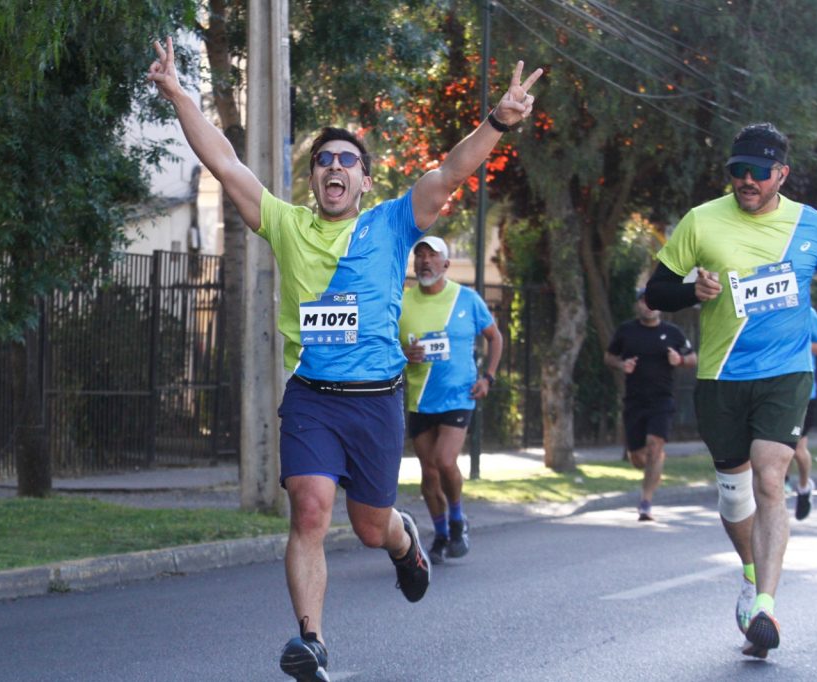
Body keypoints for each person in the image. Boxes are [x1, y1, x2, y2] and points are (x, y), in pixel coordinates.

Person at [148, 38, 542, 681]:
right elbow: (223, 160)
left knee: (367, 527)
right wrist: (177, 93)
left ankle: (403, 539)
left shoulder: (392, 223)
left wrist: (498, 120)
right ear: (313, 179)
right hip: (312, 398)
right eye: (324, 160)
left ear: (364, 178)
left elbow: (450, 172)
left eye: (347, 161)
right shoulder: (285, 224)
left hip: (378, 400)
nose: (334, 168)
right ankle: (312, 642)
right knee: (308, 509)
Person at [644, 122, 817, 659]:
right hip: (720, 377)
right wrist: (692, 288)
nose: (747, 181)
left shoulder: (814, 226)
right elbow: (655, 288)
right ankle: (750, 574)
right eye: (738, 171)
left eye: (758, 172)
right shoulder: (701, 221)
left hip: (785, 371)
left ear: (782, 173)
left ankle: (765, 606)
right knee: (734, 494)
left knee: (770, 475)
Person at [398, 235, 503, 564]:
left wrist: (488, 378)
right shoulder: (402, 303)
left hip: (459, 394)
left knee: (445, 461)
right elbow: (386, 348)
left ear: (446, 264)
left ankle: (458, 519)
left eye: (433, 256)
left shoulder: (466, 299)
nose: (425, 261)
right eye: (420, 256)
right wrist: (404, 354)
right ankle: (441, 534)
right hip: (420, 398)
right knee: (428, 474)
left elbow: (494, 337)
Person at [604, 288, 696, 522]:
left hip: (662, 399)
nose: (648, 306)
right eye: (644, 302)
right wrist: (621, 364)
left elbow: (693, 358)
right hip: (634, 401)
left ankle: (645, 502)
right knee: (637, 458)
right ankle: (654, 470)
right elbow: (609, 356)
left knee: (655, 445)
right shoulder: (627, 331)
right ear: (638, 305)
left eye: (653, 302)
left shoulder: (672, 333)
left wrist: (680, 360)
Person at [788, 308, 817, 520]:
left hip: (803, 392)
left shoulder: (807, 312)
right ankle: (779, 484)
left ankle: (804, 486)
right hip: (770, 391)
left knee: (796, 449)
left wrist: (795, 345)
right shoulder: (760, 310)